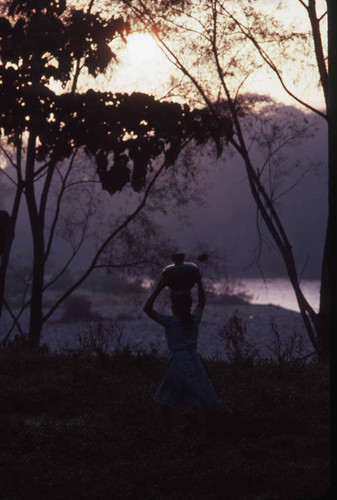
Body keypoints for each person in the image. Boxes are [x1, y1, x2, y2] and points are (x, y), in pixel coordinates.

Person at [143, 273, 219, 441]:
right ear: (189, 305)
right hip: (194, 363)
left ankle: (166, 435)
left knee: (165, 401)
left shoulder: (170, 321)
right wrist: (199, 281)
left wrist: (158, 288)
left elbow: (147, 309)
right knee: (200, 402)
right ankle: (203, 437)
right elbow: (202, 302)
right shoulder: (194, 319)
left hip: (176, 364)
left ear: (173, 307)